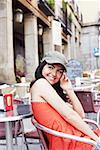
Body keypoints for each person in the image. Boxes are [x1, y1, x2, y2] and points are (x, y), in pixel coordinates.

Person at [30, 51, 100, 150]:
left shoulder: (50, 90)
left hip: (77, 139)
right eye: (50, 67)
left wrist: (68, 89)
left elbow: (81, 115)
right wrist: (96, 139)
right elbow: (69, 116)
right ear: (42, 66)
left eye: (60, 71)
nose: (54, 74)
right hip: (72, 144)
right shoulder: (41, 84)